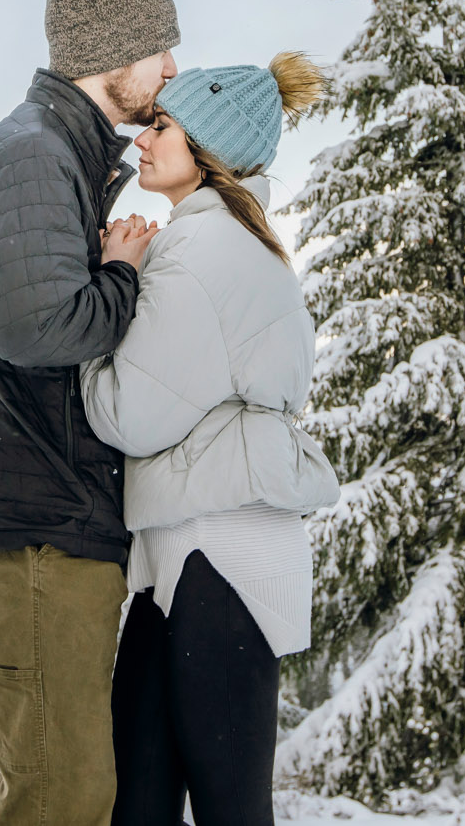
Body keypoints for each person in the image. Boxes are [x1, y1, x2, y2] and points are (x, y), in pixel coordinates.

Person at [0, 0, 177, 826]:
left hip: (51, 523)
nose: (171, 68)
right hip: (35, 530)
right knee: (62, 798)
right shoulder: (32, 155)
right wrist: (124, 275)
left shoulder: (59, 153)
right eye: (158, 49)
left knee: (75, 790)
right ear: (110, 56)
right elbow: (32, 328)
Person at [81, 52, 341, 826]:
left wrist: (112, 283)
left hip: (214, 561)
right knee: (158, 805)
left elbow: (126, 413)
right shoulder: (232, 241)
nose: (143, 138)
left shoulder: (201, 252)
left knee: (203, 809)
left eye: (163, 126)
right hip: (199, 556)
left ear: (211, 149)